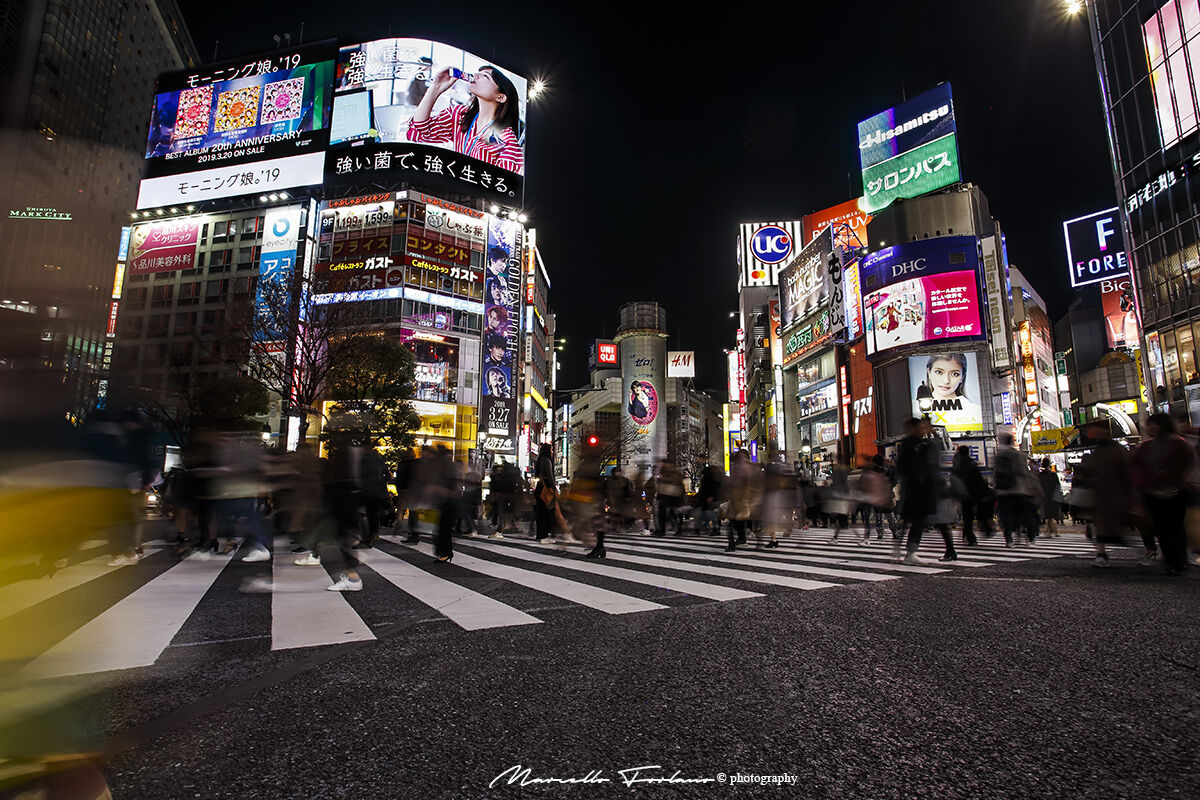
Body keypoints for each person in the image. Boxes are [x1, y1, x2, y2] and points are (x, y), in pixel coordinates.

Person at [406, 65, 524, 174]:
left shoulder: (507, 141)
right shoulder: (460, 115)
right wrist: (436, 88)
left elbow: (506, 186)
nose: (476, 75)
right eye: (478, 72)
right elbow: (419, 131)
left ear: (500, 97)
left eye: (485, 76)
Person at [1131, 413, 1196, 575]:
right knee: (1162, 529)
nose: (1151, 427)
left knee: (1176, 527)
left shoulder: (1179, 444)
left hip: (1176, 491)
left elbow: (1187, 465)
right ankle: (1171, 562)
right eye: (1149, 424)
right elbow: (1135, 469)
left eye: (1155, 424)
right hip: (1154, 493)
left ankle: (1179, 560)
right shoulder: (1145, 447)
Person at [895, 418, 937, 565]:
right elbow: (906, 467)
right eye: (919, 427)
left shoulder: (919, 443)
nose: (921, 430)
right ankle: (910, 552)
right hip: (915, 489)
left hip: (919, 489)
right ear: (912, 429)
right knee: (916, 520)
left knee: (911, 520)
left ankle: (904, 549)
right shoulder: (910, 445)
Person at [994, 432, 1036, 547]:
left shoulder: (998, 456)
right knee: (1026, 514)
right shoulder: (1018, 455)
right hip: (1019, 489)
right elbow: (1023, 472)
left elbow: (995, 475)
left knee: (1007, 515)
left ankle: (1009, 539)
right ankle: (1030, 538)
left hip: (1003, 491)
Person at [917, 353, 981, 424]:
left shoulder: (976, 411)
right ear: (929, 372)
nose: (946, 381)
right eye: (939, 372)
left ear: (962, 377)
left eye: (955, 374)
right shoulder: (914, 408)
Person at [726, 450, 761, 552]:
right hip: (745, 497)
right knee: (738, 520)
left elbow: (735, 482)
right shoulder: (750, 466)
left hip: (739, 497)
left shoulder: (739, 467)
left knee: (733, 520)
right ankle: (741, 539)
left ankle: (734, 542)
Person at [952, 446, 987, 546]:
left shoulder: (958, 465)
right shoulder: (971, 464)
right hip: (973, 494)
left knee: (967, 517)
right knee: (969, 517)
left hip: (963, 494)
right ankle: (970, 537)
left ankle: (967, 536)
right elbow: (979, 480)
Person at [652, 459, 684, 536]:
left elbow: (663, 485)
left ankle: (662, 530)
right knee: (672, 513)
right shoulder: (676, 473)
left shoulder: (666, 473)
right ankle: (678, 529)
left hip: (666, 495)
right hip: (673, 496)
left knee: (663, 513)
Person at [533, 444, 557, 542]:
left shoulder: (539, 461)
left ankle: (540, 535)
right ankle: (544, 536)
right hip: (546, 488)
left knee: (540, 513)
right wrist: (554, 489)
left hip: (539, 488)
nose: (552, 451)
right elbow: (550, 476)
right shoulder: (547, 461)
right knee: (546, 513)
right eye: (551, 449)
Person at [1038, 458, 1064, 538]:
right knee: (1051, 515)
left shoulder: (1040, 476)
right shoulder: (1053, 475)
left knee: (1048, 515)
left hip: (1045, 497)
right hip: (1052, 497)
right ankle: (1052, 531)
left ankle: (1050, 531)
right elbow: (1057, 486)